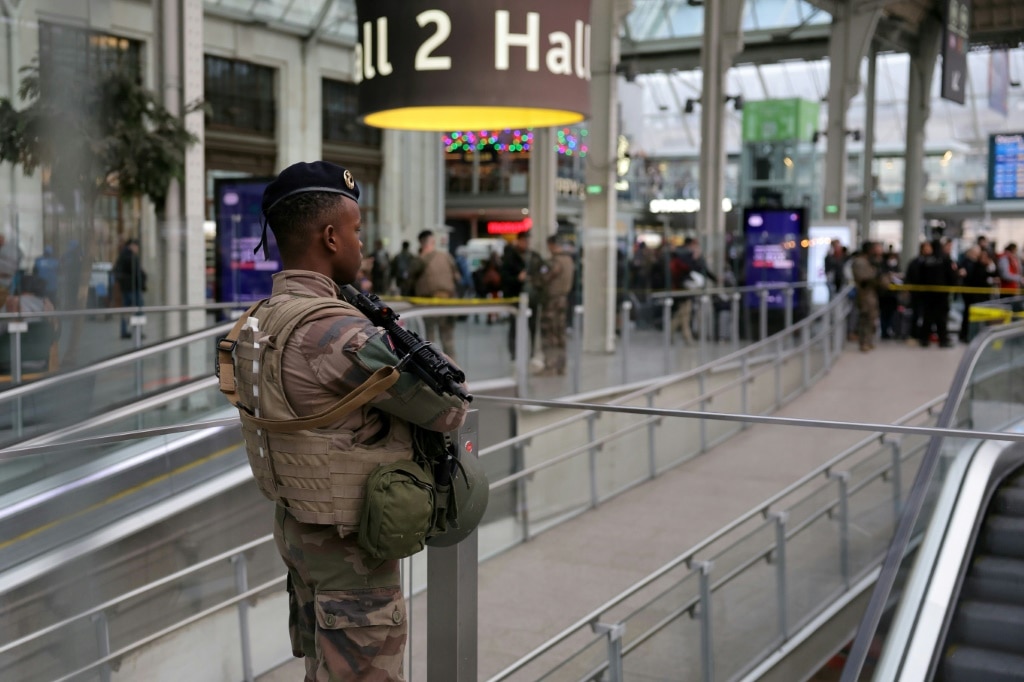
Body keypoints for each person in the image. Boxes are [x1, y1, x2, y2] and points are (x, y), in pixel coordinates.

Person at [225, 161, 468, 681]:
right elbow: (449, 408)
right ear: (331, 236)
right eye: (357, 231)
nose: (363, 244)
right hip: (350, 547)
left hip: (304, 531)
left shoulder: (264, 316)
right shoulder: (336, 331)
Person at [408, 229, 461, 357]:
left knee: (430, 338)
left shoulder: (419, 260)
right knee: (448, 339)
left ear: (421, 243)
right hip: (447, 301)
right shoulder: (446, 256)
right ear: (433, 241)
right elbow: (457, 277)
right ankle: (454, 369)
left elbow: (409, 280)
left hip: (427, 303)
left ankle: (434, 369)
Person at [536, 235, 575, 376]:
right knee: (560, 333)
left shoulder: (554, 262)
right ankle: (561, 365)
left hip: (552, 301)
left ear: (551, 245)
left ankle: (550, 366)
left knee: (549, 332)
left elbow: (544, 279)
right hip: (564, 300)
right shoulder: (569, 260)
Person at [501, 230, 542, 356]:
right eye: (523, 240)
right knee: (515, 326)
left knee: (532, 325)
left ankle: (532, 352)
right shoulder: (510, 257)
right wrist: (517, 279)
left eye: (527, 241)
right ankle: (514, 353)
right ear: (518, 241)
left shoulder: (534, 256)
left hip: (532, 297)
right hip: (515, 296)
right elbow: (504, 277)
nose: (526, 243)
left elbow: (542, 273)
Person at [850, 241, 886, 352]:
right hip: (864, 295)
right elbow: (863, 278)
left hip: (872, 294)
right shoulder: (860, 262)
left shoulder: (872, 262)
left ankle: (868, 341)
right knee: (865, 318)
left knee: (872, 319)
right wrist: (875, 275)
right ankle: (864, 342)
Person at [113, 238, 147, 339]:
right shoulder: (130, 257)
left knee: (126, 310)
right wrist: (143, 281)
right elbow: (137, 273)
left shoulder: (123, 255)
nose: (137, 249)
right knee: (138, 310)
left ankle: (124, 331)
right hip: (133, 288)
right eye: (136, 247)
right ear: (132, 246)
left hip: (126, 288)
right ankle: (137, 331)